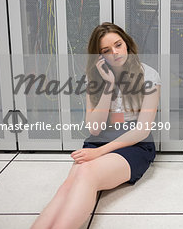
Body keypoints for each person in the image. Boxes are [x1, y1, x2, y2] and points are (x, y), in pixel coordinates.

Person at [31, 22, 161, 229]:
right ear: (99, 56)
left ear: (127, 43)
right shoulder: (95, 78)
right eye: (106, 51)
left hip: (134, 144)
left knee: (86, 173)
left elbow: (142, 130)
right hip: (100, 139)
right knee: (69, 183)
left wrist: (99, 152)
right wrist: (108, 85)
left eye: (118, 45)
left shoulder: (148, 75)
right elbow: (94, 129)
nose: (115, 53)